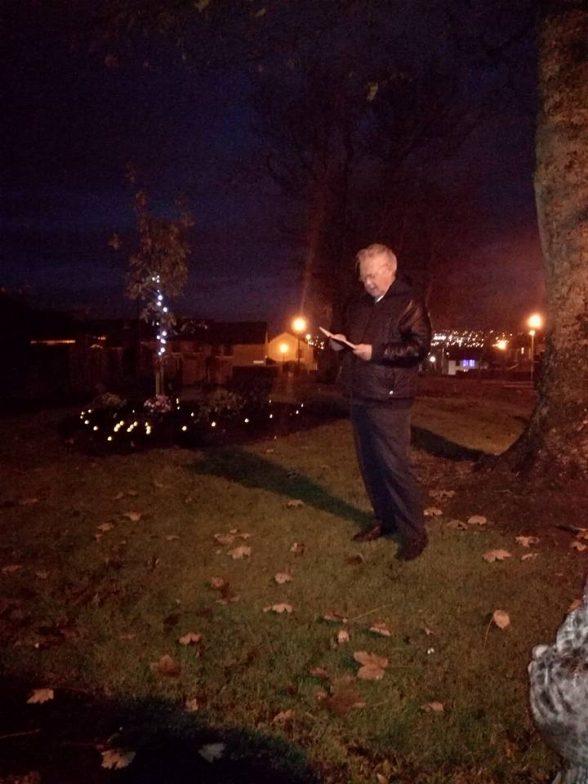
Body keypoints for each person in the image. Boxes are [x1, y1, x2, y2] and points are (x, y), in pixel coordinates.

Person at [329, 243, 432, 561]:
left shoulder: (409, 302)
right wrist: (338, 345)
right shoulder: (358, 303)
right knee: (370, 465)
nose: (368, 283)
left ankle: (415, 534)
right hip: (360, 393)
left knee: (395, 466)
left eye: (373, 276)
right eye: (364, 277)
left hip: (390, 397)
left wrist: (376, 353)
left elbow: (419, 347)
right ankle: (384, 520)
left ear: (391, 269)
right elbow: (353, 339)